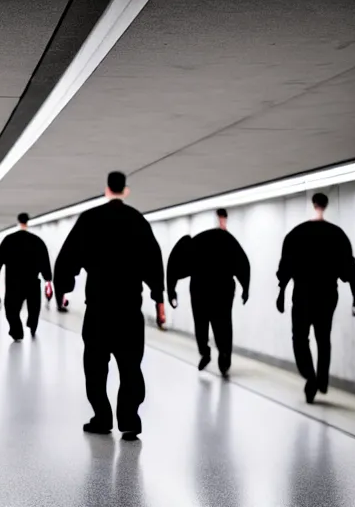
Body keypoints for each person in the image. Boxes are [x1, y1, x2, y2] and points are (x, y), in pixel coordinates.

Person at [54, 171, 165, 440]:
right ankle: (129, 420)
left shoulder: (90, 220)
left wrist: (63, 291)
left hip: (99, 310)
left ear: (106, 190)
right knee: (130, 368)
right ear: (125, 191)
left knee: (95, 368)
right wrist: (159, 299)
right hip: (129, 311)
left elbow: (66, 258)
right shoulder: (137, 221)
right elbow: (154, 262)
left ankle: (101, 417)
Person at [276, 192, 355, 404]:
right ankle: (322, 378)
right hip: (326, 297)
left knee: (300, 339)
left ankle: (310, 376)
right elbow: (350, 269)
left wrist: (281, 293)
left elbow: (285, 268)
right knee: (324, 339)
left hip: (302, 296)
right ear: (326, 205)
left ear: (313, 204)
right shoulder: (337, 235)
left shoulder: (297, 234)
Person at [167, 208, 250, 378]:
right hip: (222, 289)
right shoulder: (227, 240)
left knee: (201, 323)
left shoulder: (194, 242)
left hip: (200, 289)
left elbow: (175, 263)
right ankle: (224, 354)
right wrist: (245, 287)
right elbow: (242, 262)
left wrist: (171, 291)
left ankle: (205, 352)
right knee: (223, 324)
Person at [0, 213, 52, 340]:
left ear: (18, 221)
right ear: (28, 221)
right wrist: (48, 279)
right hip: (32, 282)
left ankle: (17, 331)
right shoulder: (37, 241)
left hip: (14, 282)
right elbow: (44, 261)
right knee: (34, 307)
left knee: (11, 310)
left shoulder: (9, 240)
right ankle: (32, 324)